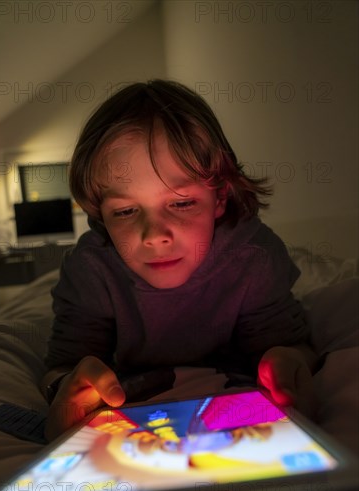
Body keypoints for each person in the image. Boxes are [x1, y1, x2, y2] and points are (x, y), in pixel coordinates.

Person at [41, 79, 317, 441]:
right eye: (125, 211)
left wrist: (288, 360)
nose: (154, 234)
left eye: (182, 203)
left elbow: (295, 346)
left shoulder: (253, 259)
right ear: (100, 216)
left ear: (219, 199)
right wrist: (66, 387)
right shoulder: (92, 269)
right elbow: (61, 367)